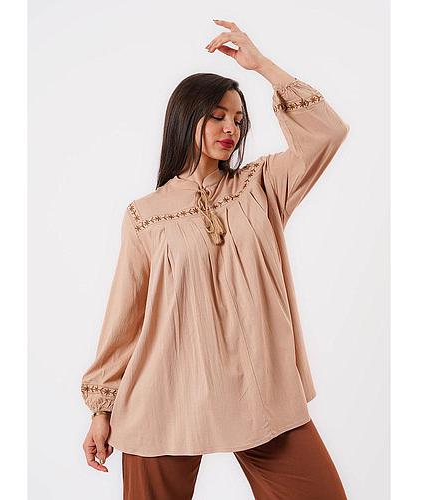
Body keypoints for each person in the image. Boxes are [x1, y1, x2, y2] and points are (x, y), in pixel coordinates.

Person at [80, 19, 350, 500]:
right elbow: (126, 318)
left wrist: (262, 66)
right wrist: (101, 410)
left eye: (239, 120)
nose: (231, 129)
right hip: (164, 397)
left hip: (261, 392)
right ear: (186, 119)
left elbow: (326, 133)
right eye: (218, 116)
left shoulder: (261, 187)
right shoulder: (145, 215)